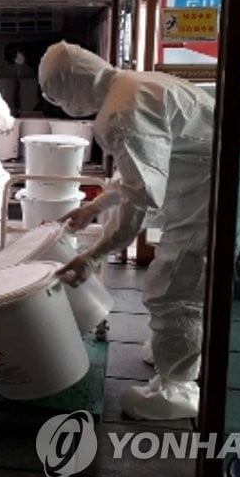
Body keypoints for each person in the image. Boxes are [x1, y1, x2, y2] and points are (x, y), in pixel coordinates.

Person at [38, 41, 214, 421]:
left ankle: (177, 389)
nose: (64, 107)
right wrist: (93, 208)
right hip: (202, 182)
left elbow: (139, 197)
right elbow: (137, 173)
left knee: (174, 285)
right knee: (186, 280)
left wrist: (94, 255)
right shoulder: (133, 85)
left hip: (211, 190)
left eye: (58, 96)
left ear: (73, 86)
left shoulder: (122, 111)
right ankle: (177, 347)